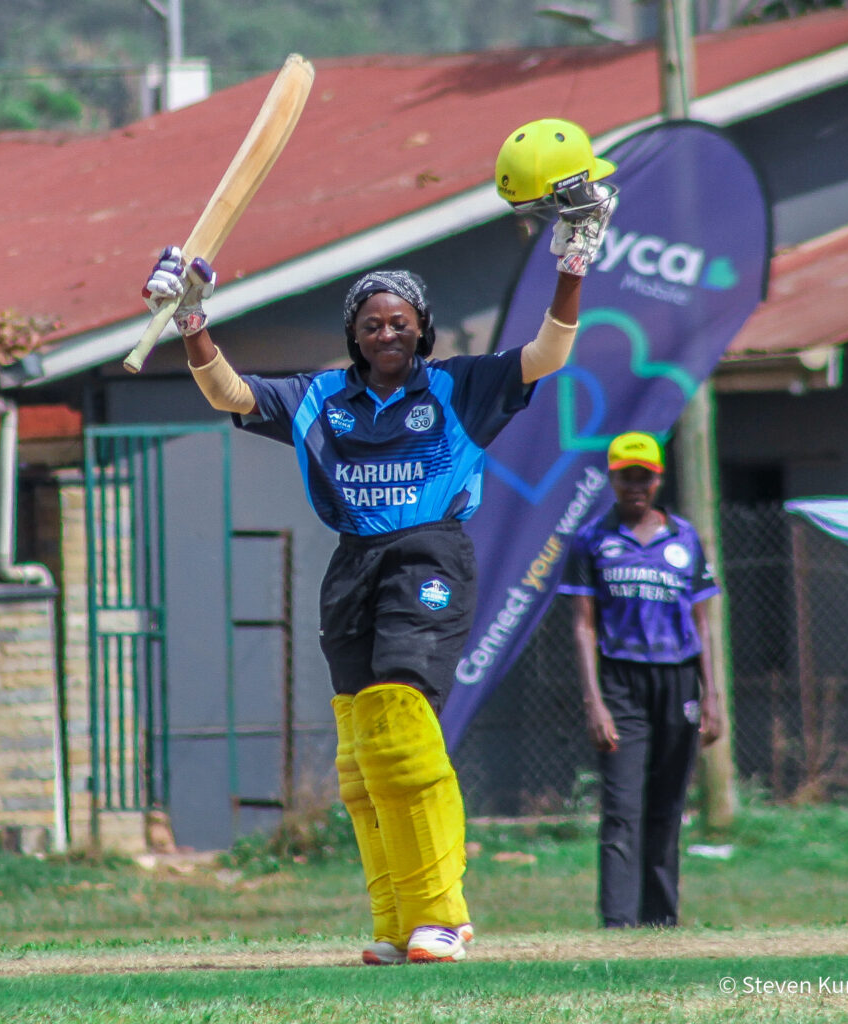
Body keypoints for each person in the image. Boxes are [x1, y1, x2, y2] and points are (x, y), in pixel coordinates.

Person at [141, 119, 617, 964]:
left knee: (400, 719)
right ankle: (397, 923)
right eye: (371, 324)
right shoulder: (321, 398)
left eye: (400, 322)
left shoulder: (461, 387)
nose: (386, 334)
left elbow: (548, 353)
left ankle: (445, 915)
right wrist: (192, 320)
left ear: (421, 328)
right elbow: (229, 395)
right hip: (354, 564)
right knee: (361, 758)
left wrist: (573, 261)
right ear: (354, 335)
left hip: (428, 557)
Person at [558, 431, 722, 929]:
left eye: (644, 477)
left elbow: (702, 623)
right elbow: (583, 626)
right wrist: (594, 702)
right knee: (622, 806)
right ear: (612, 479)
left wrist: (712, 697)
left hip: (678, 681)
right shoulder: (592, 539)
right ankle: (618, 925)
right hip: (621, 683)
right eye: (626, 476)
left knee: (667, 806)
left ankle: (660, 922)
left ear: (658, 479)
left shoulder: (685, 538)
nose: (635, 486)